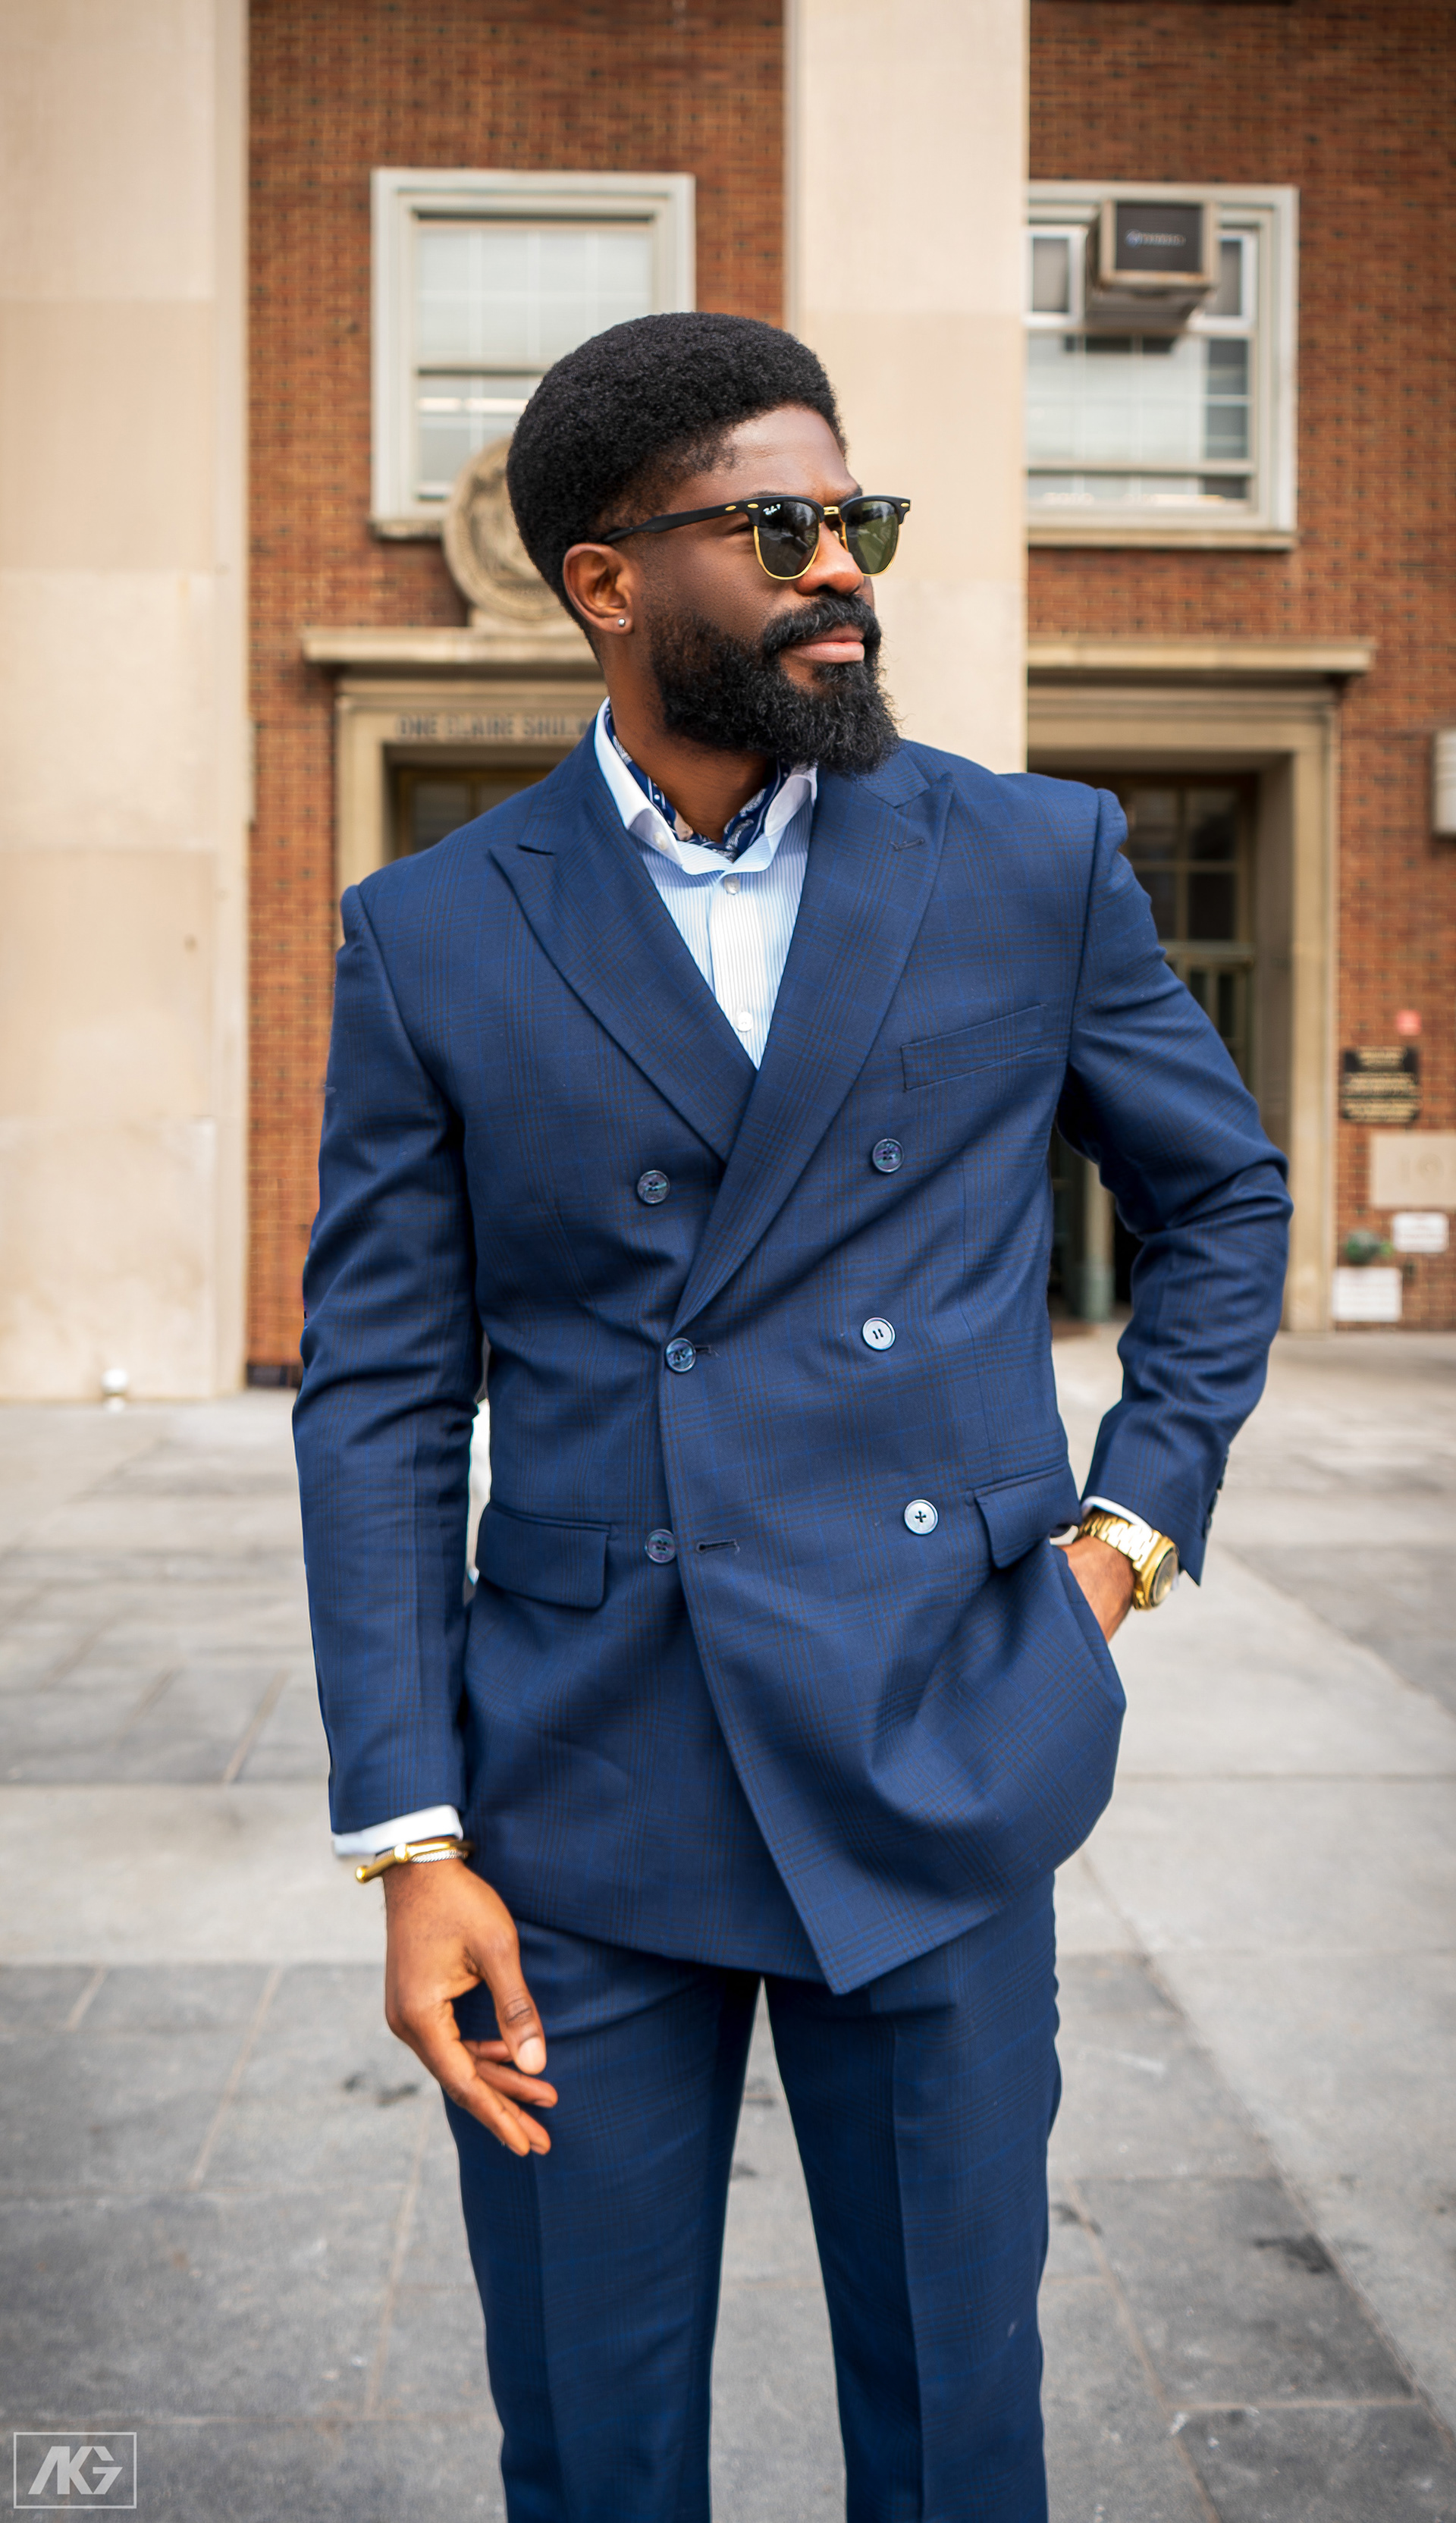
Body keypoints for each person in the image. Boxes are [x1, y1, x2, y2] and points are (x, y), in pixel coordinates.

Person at [293, 312, 1289, 2523]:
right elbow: (380, 1397)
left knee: (957, 2434)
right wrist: (410, 1838)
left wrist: (1122, 1543)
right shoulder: (434, 933)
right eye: (777, 528)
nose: (840, 568)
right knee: (591, 2446)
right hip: (575, 1796)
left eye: (858, 520)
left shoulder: (1029, 860)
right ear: (605, 580)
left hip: (940, 1739)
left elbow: (1221, 1200)